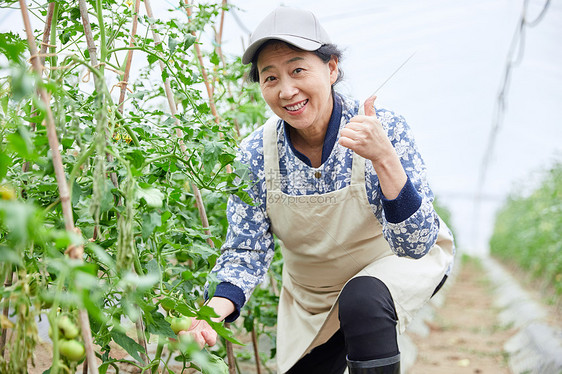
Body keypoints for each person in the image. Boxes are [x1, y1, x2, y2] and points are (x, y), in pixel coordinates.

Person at [178, 7, 455, 374]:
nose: (287, 90)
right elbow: (246, 250)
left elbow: (415, 246)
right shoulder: (257, 153)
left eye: (297, 70)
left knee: (362, 299)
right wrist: (212, 314)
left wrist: (384, 158)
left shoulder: (381, 128)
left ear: (332, 68)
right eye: (270, 77)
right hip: (313, 298)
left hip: (388, 271)